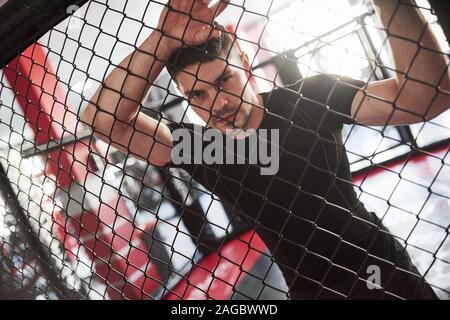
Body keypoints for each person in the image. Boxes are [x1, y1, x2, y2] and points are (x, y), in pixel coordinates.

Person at [82, 0, 449, 299]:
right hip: (310, 290)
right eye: (197, 94)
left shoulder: (308, 98)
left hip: (377, 263)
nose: (218, 103)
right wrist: (161, 40)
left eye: (224, 80)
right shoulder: (204, 146)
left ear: (243, 62)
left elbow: (426, 97)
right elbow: (102, 119)